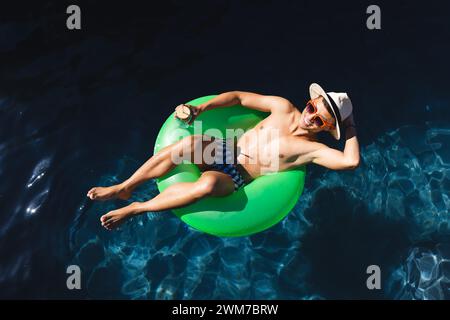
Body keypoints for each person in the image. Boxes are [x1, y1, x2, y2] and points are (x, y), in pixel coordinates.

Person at [87, 83, 360, 230]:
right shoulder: (282, 107)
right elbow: (239, 98)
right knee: (192, 142)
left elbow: (350, 162)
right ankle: (124, 187)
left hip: (236, 177)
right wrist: (200, 110)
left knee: (207, 184)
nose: (310, 117)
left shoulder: (311, 150)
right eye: (312, 107)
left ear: (326, 128)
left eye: (319, 119)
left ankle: (135, 208)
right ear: (309, 102)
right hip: (226, 149)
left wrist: (349, 127)